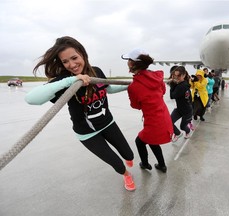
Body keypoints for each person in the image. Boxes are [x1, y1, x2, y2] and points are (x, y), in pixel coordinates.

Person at [25, 36, 136, 191]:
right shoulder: (64, 80)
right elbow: (31, 99)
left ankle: (128, 159)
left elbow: (108, 89)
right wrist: (72, 80)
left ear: (83, 54)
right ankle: (126, 174)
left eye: (74, 58)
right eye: (65, 62)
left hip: (107, 123)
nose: (71, 64)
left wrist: (131, 85)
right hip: (87, 133)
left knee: (129, 154)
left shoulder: (96, 71)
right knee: (116, 163)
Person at [121, 48, 173, 173]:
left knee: (139, 141)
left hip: (153, 121)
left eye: (129, 60)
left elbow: (136, 106)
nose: (127, 62)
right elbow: (163, 91)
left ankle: (145, 163)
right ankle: (162, 165)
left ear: (133, 64)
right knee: (152, 142)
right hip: (164, 117)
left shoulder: (134, 86)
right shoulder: (156, 77)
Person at [168, 66, 193, 142]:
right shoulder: (182, 84)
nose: (177, 77)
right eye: (175, 75)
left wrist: (172, 85)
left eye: (179, 75)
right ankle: (178, 133)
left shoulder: (182, 86)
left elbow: (172, 96)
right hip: (179, 109)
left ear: (184, 75)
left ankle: (188, 131)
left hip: (187, 111)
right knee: (169, 121)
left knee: (183, 127)